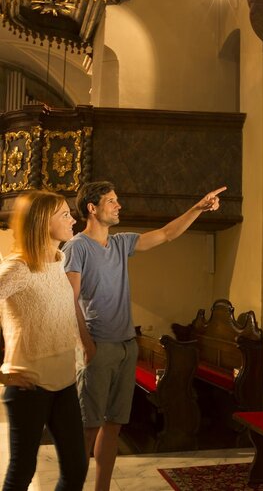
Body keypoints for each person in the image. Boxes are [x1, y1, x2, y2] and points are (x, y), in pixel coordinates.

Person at [62, 181, 226, 491]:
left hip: (126, 345)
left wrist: (197, 208)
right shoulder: (77, 247)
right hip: (98, 347)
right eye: (112, 201)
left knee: (114, 425)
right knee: (88, 427)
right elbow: (68, 300)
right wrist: (85, 344)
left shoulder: (122, 243)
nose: (119, 205)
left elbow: (166, 234)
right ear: (92, 208)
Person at [0, 190, 87, 491]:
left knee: (77, 468)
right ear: (41, 222)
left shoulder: (58, 261)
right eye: (64, 214)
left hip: (64, 383)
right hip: (29, 385)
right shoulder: (17, 268)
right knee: (21, 473)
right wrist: (1, 372)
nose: (72, 218)